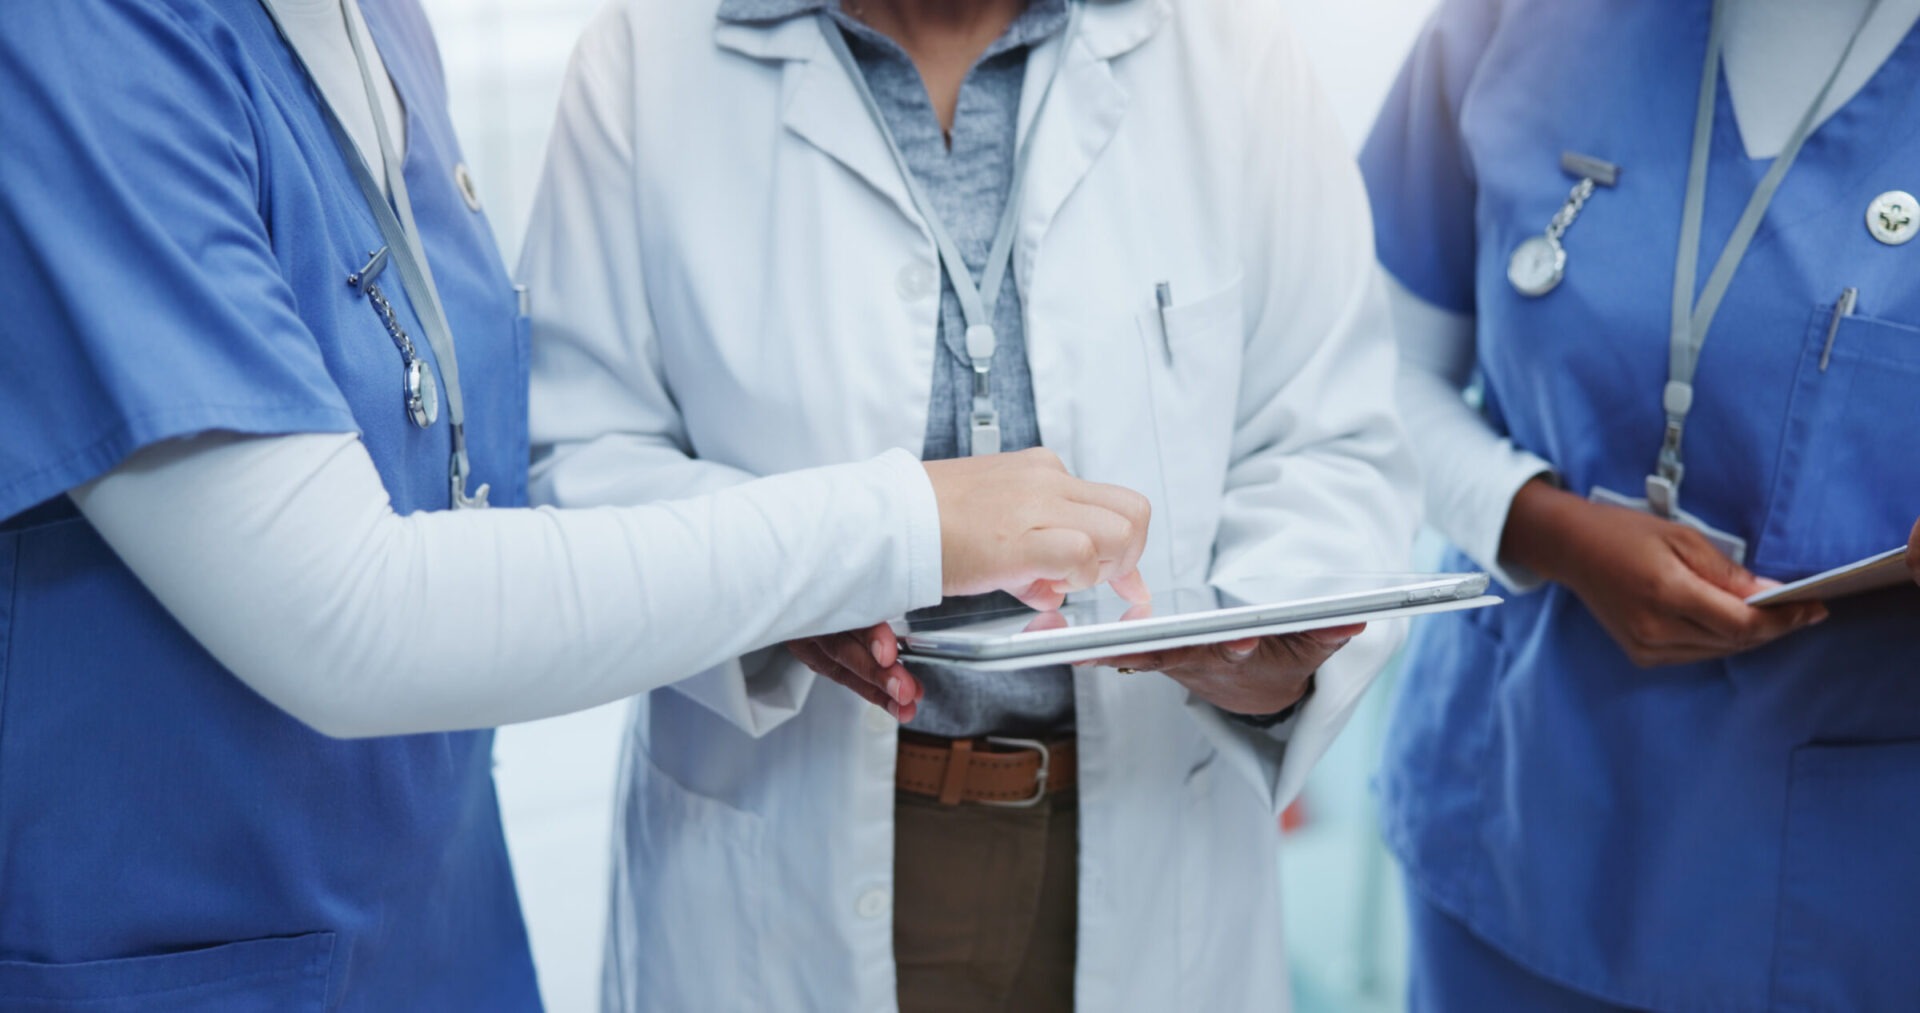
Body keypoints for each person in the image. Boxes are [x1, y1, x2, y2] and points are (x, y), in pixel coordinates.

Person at [0, 0, 1153, 1007]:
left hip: (433, 944)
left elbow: (471, 478)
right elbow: (350, 613)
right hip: (175, 959)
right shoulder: (81, 40)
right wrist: (900, 525)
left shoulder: (375, 26)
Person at [518, 0, 1421, 1008]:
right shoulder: (646, 61)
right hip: (781, 867)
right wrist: (795, 574)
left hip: (1151, 841)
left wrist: (1260, 659)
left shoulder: (1227, 53)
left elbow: (1329, 438)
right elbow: (579, 458)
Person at [1363, 0, 1920, 1008]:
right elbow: (1363, 369)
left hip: (1853, 896)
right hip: (1513, 831)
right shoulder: (1516, 24)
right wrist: (1541, 523)